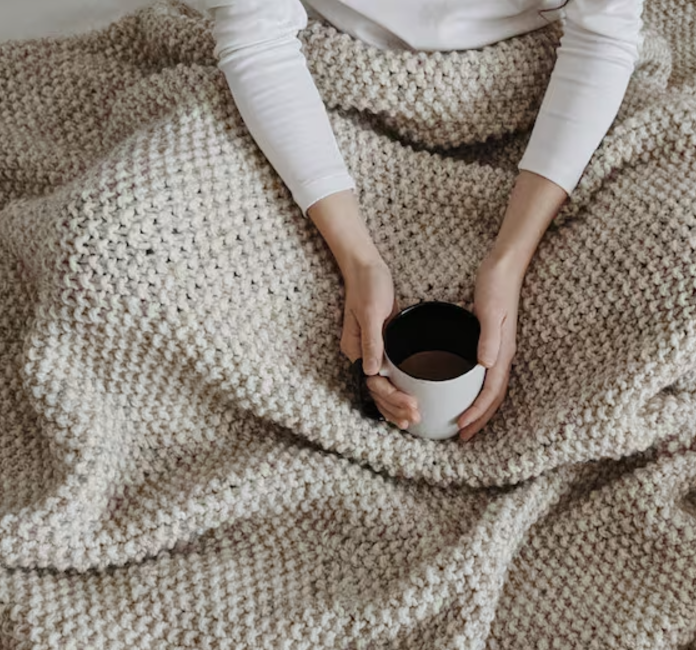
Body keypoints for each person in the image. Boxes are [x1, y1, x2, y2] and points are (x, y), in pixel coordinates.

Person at [208, 0, 644, 440]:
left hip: (543, 93)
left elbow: (602, 37)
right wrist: (358, 261)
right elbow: (256, 35)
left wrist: (509, 263)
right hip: (318, 85)